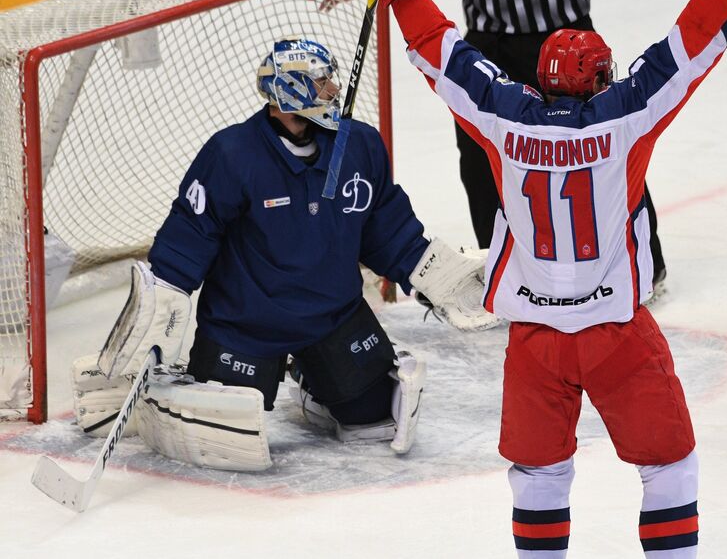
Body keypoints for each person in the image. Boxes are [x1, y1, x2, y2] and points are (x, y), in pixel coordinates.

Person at [355, 0, 727, 557]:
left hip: (536, 341)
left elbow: (444, 53)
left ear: (539, 80)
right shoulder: (625, 116)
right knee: (668, 468)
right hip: (616, 334)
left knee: (540, 476)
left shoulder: (503, 115)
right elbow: (690, 44)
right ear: (600, 80)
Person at [72, 37, 496, 471]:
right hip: (247, 326)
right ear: (291, 91)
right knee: (223, 434)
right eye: (322, 81)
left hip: (334, 317)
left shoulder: (359, 146)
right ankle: (143, 395)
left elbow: (386, 229)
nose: (333, 89)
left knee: (376, 418)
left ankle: (317, 381)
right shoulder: (232, 154)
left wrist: (432, 273)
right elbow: (189, 235)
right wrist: (161, 306)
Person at [309, 0, 667, 291]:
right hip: (490, 47)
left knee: (605, 146)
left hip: (564, 45)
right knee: (480, 154)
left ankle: (643, 259)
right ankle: (506, 264)